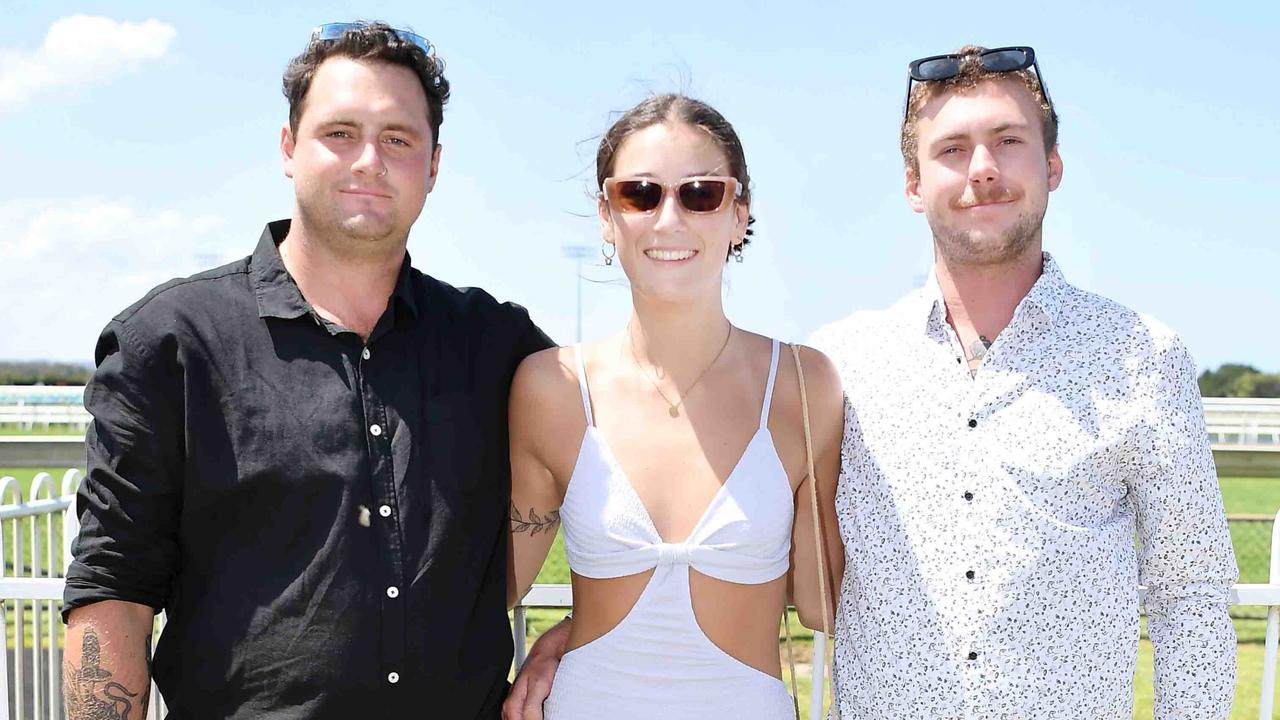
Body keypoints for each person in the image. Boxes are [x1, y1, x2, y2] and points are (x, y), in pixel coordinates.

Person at [62, 21, 551, 719]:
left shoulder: (496, 343)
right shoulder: (170, 341)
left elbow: (642, 446)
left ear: (434, 165)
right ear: (289, 148)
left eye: (398, 140)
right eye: (340, 133)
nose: (368, 162)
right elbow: (114, 585)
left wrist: (579, 629)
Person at [806, 45, 1237, 717]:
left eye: (1007, 142)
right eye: (952, 149)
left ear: (1052, 166)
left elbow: (1192, 593)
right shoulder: (839, 363)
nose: (982, 169)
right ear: (914, 185)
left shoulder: (1143, 356)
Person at [502, 94, 844, 719]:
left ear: (740, 214)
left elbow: (824, 604)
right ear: (607, 216)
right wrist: (560, 637)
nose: (668, 219)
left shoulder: (803, 384)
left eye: (700, 194)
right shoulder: (550, 388)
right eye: (640, 194)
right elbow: (496, 586)